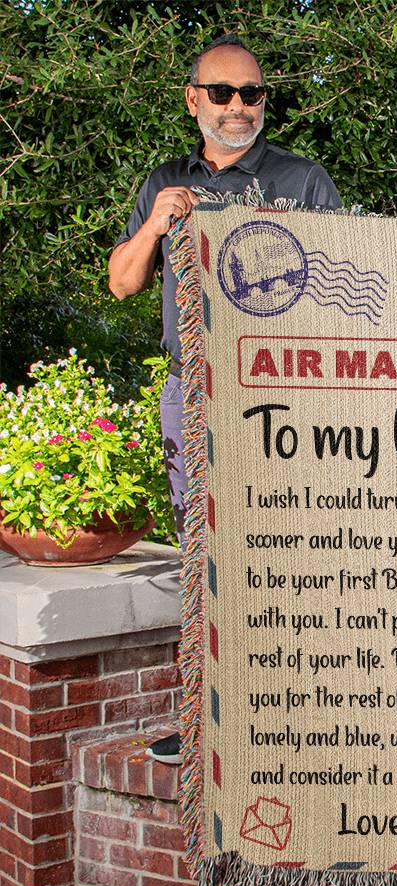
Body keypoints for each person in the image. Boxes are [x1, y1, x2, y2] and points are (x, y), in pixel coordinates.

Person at [109, 34, 342, 765]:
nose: (238, 107)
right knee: (203, 560)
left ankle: (299, 723)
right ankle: (206, 724)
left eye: (251, 94)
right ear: (193, 100)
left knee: (293, 555)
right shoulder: (165, 182)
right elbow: (121, 283)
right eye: (222, 93)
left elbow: (348, 287)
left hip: (284, 398)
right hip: (196, 395)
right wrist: (156, 222)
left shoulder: (304, 181)